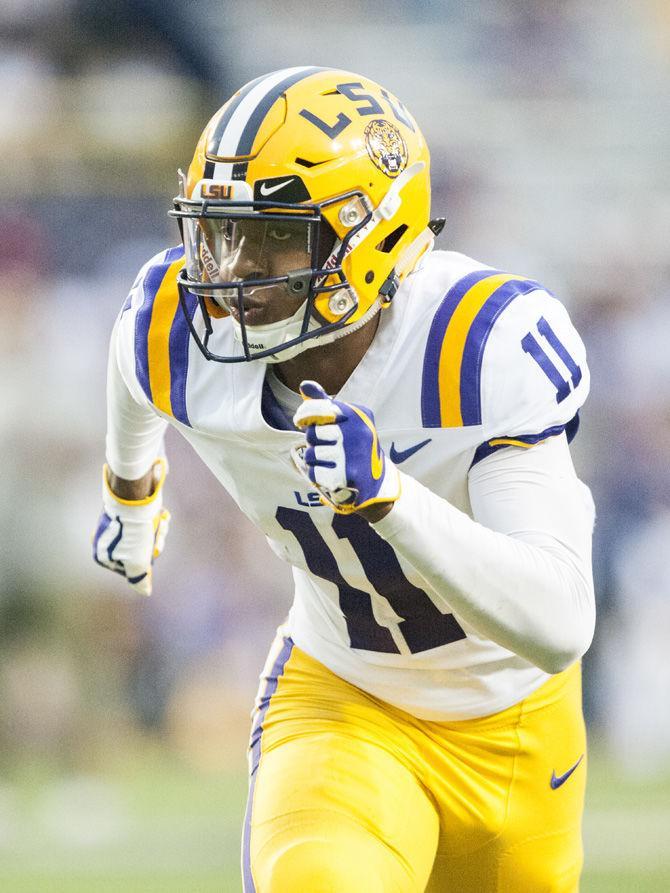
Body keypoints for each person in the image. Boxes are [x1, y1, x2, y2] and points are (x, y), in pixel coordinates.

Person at [93, 66, 595, 892]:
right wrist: (129, 488)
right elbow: (133, 365)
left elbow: (559, 621)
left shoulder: (474, 348)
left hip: (517, 725)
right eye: (219, 233)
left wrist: (392, 499)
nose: (233, 273)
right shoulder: (176, 324)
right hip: (343, 696)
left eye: (272, 236)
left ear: (374, 234)